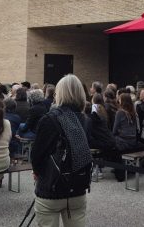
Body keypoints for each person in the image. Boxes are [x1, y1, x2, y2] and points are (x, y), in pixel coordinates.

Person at [31, 74, 92, 226]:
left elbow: (37, 156)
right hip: (77, 186)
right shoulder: (84, 120)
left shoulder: (49, 119)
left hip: (51, 188)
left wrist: (38, 172)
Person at [111, 93, 138, 182]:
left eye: (119, 98)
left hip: (123, 142)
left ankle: (118, 171)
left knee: (110, 144)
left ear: (122, 101)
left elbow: (114, 130)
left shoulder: (120, 112)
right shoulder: (133, 112)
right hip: (133, 141)